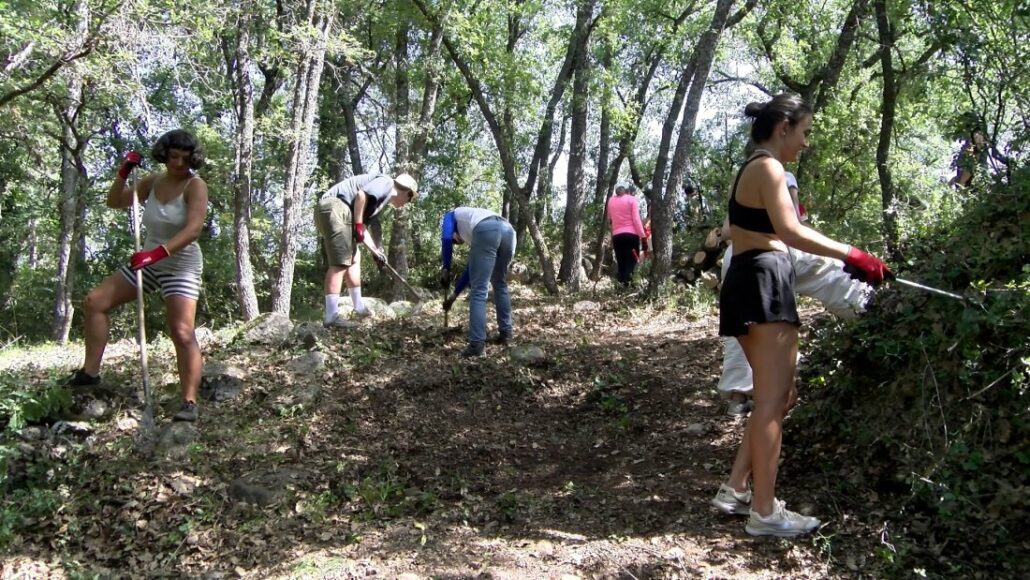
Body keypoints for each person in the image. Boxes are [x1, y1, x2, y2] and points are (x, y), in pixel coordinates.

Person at [711, 95, 891, 537]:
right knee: (773, 402)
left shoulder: (753, 167)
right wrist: (852, 254)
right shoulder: (769, 167)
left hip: (750, 280)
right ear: (783, 128)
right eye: (805, 132)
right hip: (762, 281)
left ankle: (736, 488)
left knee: (778, 397)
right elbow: (791, 231)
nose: (806, 142)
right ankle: (765, 512)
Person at [65, 129, 210, 422]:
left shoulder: (195, 186)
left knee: (182, 332)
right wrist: (124, 171)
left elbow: (193, 230)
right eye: (173, 156)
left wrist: (156, 254)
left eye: (185, 158)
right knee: (95, 302)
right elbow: (115, 201)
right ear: (164, 155)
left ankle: (189, 402)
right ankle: (90, 373)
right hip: (147, 263)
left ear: (192, 159)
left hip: (180, 265)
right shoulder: (152, 182)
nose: (178, 163)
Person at [718, 171, 871, 416]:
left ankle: (739, 397)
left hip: (736, 257)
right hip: (776, 252)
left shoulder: (741, 181)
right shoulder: (779, 173)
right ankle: (872, 313)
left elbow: (727, 230)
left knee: (744, 325)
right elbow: (794, 226)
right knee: (833, 272)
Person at [314, 172, 418, 326]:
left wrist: (375, 251)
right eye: (409, 199)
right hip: (336, 207)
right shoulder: (387, 183)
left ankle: (359, 307)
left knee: (354, 258)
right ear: (407, 192)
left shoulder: (380, 201)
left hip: (338, 212)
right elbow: (361, 195)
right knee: (340, 263)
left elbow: (362, 227)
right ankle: (331, 316)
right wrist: (357, 225)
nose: (406, 203)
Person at [439, 207, 517, 358]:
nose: (458, 241)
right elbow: (471, 271)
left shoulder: (451, 215)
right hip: (508, 231)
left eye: (457, 240)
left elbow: (446, 239)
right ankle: (506, 334)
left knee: (479, 290)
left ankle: (476, 345)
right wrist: (453, 297)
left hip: (488, 230)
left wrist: (446, 268)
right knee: (500, 283)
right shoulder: (473, 221)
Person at [606, 183, 646, 288]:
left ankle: (620, 285)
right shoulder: (632, 199)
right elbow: (636, 219)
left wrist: (612, 236)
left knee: (621, 262)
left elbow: (609, 220)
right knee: (631, 261)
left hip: (617, 237)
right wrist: (643, 236)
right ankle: (627, 285)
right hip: (631, 236)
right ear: (628, 191)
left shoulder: (611, 201)